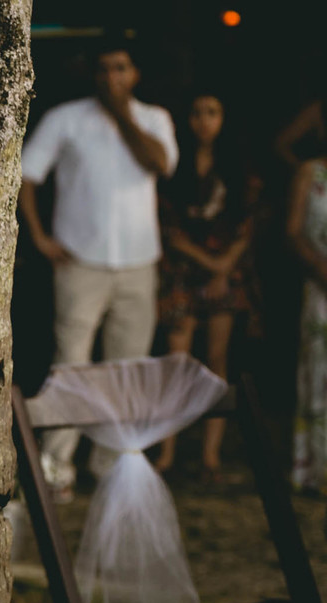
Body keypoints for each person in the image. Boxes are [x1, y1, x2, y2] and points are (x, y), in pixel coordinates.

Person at [18, 35, 178, 501]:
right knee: (71, 364)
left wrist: (122, 115)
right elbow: (26, 176)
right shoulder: (65, 118)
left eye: (121, 68)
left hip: (138, 262)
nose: (112, 77)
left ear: (135, 74)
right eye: (104, 69)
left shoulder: (154, 119)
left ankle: (112, 467)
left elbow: (161, 163)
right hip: (79, 262)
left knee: (127, 368)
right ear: (93, 74)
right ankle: (56, 468)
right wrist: (39, 237)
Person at [154, 92, 255, 481]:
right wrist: (211, 264)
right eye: (196, 113)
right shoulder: (174, 165)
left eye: (212, 113)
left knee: (216, 361)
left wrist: (222, 269)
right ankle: (167, 452)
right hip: (183, 271)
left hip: (223, 274)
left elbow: (246, 226)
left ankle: (210, 455)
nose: (204, 121)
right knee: (176, 362)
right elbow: (170, 230)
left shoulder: (238, 168)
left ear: (224, 118)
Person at [287, 154, 327, 494]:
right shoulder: (310, 172)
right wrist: (318, 265)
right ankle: (317, 468)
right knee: (318, 374)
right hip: (321, 286)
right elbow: (294, 232)